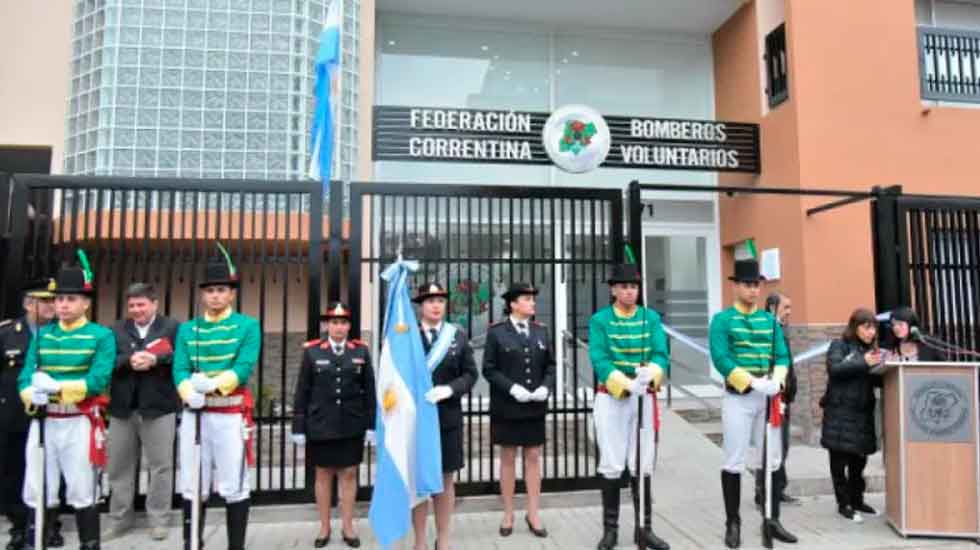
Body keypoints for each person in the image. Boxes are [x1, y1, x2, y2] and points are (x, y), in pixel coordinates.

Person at [17, 254, 115, 550]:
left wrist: (55, 388)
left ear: (86, 303)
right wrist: (30, 394)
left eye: (71, 299)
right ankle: (39, 542)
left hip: (78, 420)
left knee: (82, 488)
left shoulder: (100, 335)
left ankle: (89, 544)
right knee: (37, 487)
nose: (62, 305)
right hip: (44, 420)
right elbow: (25, 376)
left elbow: (97, 380)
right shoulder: (42, 335)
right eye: (59, 299)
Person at [173, 246, 259, 550]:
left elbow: (244, 366)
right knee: (192, 484)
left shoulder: (248, 326)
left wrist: (208, 386)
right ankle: (192, 543)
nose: (215, 296)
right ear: (202, 294)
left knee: (234, 484)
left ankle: (236, 546)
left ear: (232, 294)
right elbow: (180, 368)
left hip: (229, 414)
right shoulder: (187, 329)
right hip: (195, 414)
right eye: (210, 291)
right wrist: (187, 391)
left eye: (221, 290)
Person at [710, 258, 797, 549]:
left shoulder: (769, 321)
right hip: (739, 396)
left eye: (756, 285)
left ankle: (771, 520)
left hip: (768, 396)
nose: (753, 290)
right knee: (734, 459)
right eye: (747, 284)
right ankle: (732, 522)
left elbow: (783, 355)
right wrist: (750, 380)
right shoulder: (722, 320)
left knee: (771, 458)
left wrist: (779, 378)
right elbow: (721, 358)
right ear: (735, 286)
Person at [588, 261, 670, 550]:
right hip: (611, 398)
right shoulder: (600, 320)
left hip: (643, 398)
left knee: (643, 463)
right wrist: (624, 382)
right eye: (623, 286)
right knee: (611, 463)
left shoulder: (651, 318)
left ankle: (644, 528)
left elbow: (661, 352)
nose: (629, 292)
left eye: (633, 286)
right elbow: (599, 358)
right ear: (613, 289)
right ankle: (611, 530)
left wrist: (652, 375)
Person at [291, 302, 375, 549]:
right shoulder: (312, 352)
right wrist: (298, 426)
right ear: (327, 325)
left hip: (351, 423)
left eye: (343, 322)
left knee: (349, 473)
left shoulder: (360, 352)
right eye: (334, 322)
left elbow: (369, 389)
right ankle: (324, 526)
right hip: (321, 424)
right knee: (323, 474)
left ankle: (348, 527)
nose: (338, 327)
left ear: (349, 326)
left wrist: (372, 424)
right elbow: (302, 390)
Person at [104, 283, 180, 541]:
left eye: (141, 304)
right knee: (118, 467)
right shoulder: (115, 329)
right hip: (122, 409)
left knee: (161, 467)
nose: (136, 310)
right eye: (132, 305)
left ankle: (159, 519)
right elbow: (105, 360)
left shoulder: (172, 327)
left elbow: (181, 358)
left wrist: (155, 359)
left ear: (154, 304)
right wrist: (130, 359)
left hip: (159, 407)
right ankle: (119, 520)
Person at [482, 282, 555, 539]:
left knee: (534, 456)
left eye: (533, 299)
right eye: (527, 299)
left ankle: (533, 513)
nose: (532, 303)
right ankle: (508, 513)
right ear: (513, 304)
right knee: (508, 457)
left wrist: (546, 387)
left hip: (534, 405)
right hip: (508, 405)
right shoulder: (497, 333)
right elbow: (489, 369)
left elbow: (551, 366)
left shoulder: (541, 332)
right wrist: (512, 388)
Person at [409, 283, 478, 550]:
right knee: (418, 484)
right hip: (415, 421)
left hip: (446, 418)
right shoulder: (407, 336)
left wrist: (449, 389)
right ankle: (419, 541)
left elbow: (471, 374)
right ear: (420, 306)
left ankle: (444, 538)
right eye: (430, 301)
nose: (436, 305)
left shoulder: (456, 336)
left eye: (440, 300)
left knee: (445, 480)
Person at [0, 279, 62, 550]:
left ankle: (49, 525)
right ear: (28, 303)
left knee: (51, 470)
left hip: (54, 413)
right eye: (45, 301)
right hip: (14, 413)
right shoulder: (6, 333)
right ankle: (18, 525)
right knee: (14, 470)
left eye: (53, 300)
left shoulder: (65, 333)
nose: (52, 306)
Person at [820, 308, 884, 523]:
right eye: (867, 327)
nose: (871, 332)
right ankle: (843, 504)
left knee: (859, 462)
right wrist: (864, 362)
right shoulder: (839, 346)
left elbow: (877, 381)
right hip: (839, 414)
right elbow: (835, 370)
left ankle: (857, 500)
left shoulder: (872, 352)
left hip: (862, 415)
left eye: (873, 327)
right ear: (855, 327)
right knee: (839, 464)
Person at [755, 292, 799, 509]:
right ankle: (764, 494)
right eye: (786, 307)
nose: (789, 312)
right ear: (772, 307)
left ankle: (778, 489)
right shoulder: (766, 330)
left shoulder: (781, 329)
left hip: (784, 397)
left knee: (782, 446)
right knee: (771, 445)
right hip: (771, 397)